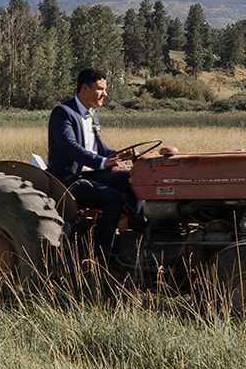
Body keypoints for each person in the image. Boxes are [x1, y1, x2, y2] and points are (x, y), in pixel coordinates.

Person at [47, 67, 171, 260]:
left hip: (89, 174)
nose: (105, 93)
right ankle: (105, 255)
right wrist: (103, 162)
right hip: (68, 179)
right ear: (84, 88)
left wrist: (122, 154)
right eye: (100, 88)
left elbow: (99, 149)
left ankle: (139, 233)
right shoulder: (63, 113)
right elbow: (69, 147)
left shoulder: (91, 115)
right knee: (113, 198)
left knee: (134, 179)